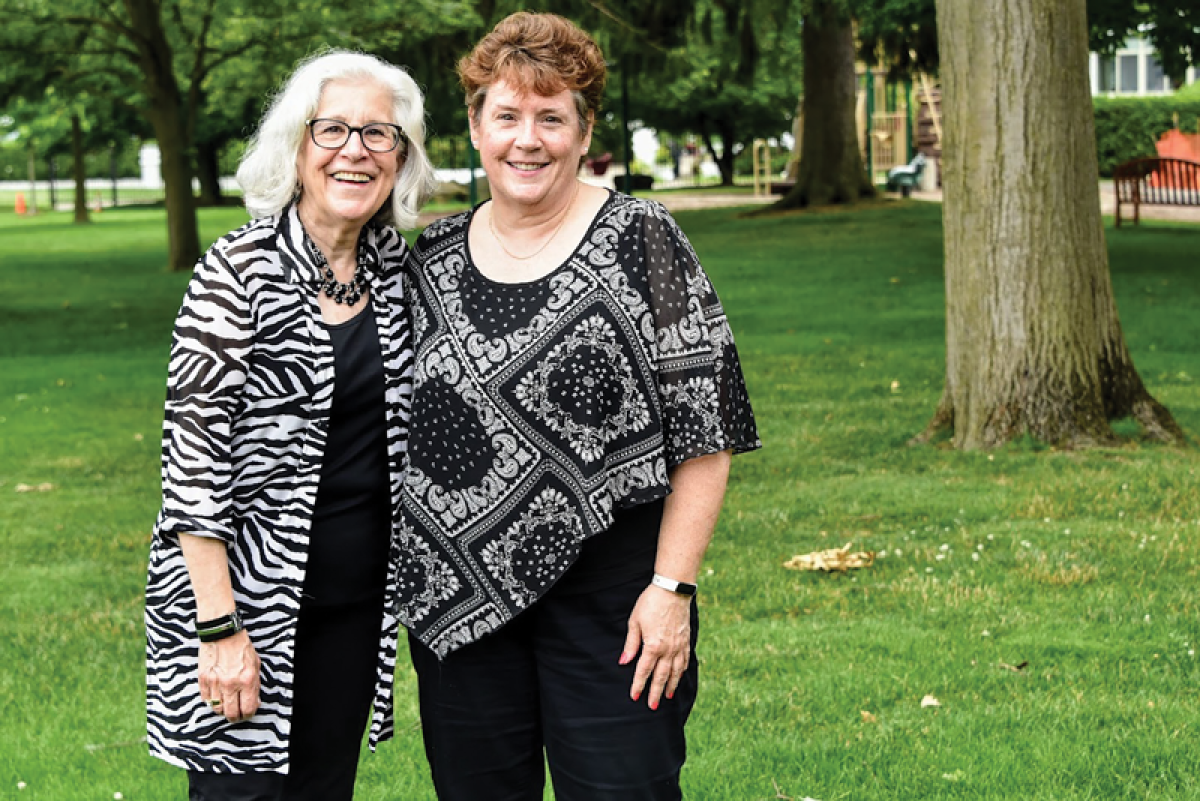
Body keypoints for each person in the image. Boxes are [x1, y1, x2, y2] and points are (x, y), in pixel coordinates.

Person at [396, 12, 760, 801]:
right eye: (508, 116)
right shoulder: (429, 260)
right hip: (460, 601)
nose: (528, 139)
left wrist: (673, 592)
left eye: (551, 117)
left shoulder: (646, 239)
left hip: (617, 596)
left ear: (584, 127)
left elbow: (709, 426)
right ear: (475, 124)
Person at [144, 49, 435, 800]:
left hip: (353, 606)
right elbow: (192, 468)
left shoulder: (396, 276)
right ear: (296, 147)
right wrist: (218, 629)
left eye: (380, 135)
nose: (356, 151)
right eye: (332, 129)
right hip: (246, 610)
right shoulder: (236, 274)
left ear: (401, 160)